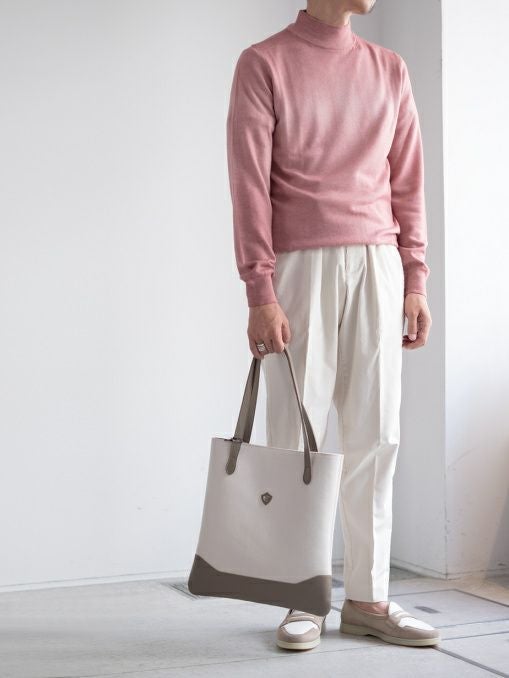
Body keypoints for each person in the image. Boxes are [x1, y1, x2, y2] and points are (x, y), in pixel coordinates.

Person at [226, 0, 439, 651]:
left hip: (378, 263)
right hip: (298, 267)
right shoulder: (264, 63)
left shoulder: (389, 68)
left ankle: (369, 598)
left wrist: (415, 277)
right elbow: (248, 184)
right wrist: (259, 288)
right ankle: (301, 595)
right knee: (297, 436)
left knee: (378, 432)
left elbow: (407, 181)